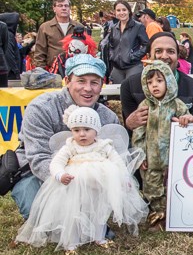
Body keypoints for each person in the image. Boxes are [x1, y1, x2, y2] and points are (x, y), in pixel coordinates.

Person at [16, 106, 148, 255]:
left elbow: (118, 162)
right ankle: (71, 243)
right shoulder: (70, 146)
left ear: (96, 130)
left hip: (99, 187)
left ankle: (99, 236)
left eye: (87, 129)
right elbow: (56, 163)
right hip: (74, 187)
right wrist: (60, 174)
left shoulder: (104, 145)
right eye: (76, 130)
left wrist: (123, 178)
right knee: (73, 214)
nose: (82, 134)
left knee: (100, 212)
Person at [11, 54, 120, 221]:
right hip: (38, 173)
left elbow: (113, 157)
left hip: (91, 180)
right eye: (81, 81)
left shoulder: (108, 118)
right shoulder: (42, 108)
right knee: (42, 218)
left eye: (94, 82)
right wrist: (70, 185)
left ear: (101, 85)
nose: (88, 88)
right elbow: (38, 159)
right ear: (67, 80)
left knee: (92, 225)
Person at [132, 61, 193, 231]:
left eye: (159, 81)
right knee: (152, 187)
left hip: (173, 160)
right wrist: (140, 155)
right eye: (150, 82)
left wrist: (188, 120)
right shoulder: (146, 106)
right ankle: (157, 215)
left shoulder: (177, 105)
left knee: (173, 186)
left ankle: (176, 216)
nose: (154, 85)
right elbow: (139, 132)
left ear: (168, 81)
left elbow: (190, 122)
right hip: (152, 159)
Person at [121, 32, 193, 135]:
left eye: (171, 51)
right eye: (158, 51)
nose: (164, 56)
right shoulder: (130, 86)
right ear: (148, 56)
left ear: (178, 56)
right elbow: (128, 132)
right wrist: (129, 123)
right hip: (143, 148)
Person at [33, 0, 82, 69]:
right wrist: (41, 71)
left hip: (75, 69)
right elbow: (39, 52)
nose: (64, 8)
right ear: (54, 9)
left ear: (69, 8)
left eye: (66, 6)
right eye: (60, 6)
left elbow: (87, 48)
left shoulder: (79, 26)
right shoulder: (45, 27)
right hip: (53, 69)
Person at [107, 0, 149, 84]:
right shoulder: (113, 28)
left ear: (129, 11)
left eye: (124, 10)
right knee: (117, 94)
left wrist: (134, 56)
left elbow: (147, 45)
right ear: (115, 12)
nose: (121, 12)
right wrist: (112, 56)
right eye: (118, 10)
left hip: (133, 66)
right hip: (117, 67)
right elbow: (111, 45)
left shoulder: (138, 26)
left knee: (132, 92)